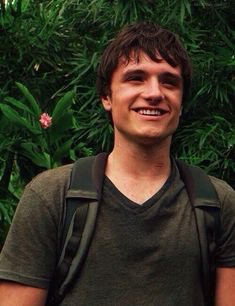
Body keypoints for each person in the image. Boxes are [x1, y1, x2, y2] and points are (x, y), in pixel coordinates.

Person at [0, 21, 235, 306]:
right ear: (106, 97)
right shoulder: (52, 197)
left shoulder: (218, 203)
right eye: (136, 78)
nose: (154, 93)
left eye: (169, 81)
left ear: (182, 101)